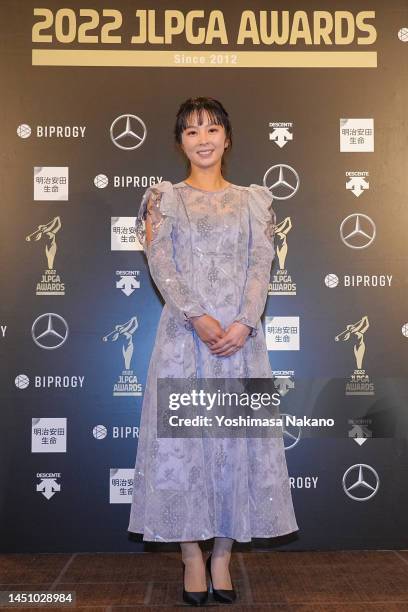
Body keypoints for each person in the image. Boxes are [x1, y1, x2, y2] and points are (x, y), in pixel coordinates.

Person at [127, 97, 299, 606]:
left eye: (212, 128)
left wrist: (245, 323)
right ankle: (190, 555)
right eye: (191, 131)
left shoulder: (255, 200)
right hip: (186, 341)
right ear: (180, 142)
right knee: (185, 449)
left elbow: (260, 266)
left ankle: (222, 554)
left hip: (239, 345)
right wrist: (197, 317)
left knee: (234, 445)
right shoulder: (163, 198)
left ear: (227, 137)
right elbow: (162, 265)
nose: (203, 139)